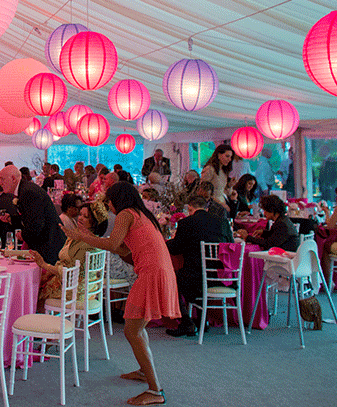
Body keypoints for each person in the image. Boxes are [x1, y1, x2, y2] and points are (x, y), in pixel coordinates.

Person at [60, 182, 178, 406]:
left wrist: (82, 236)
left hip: (152, 272)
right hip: (158, 270)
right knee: (136, 329)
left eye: (109, 201)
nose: (108, 206)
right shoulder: (140, 213)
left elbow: (113, 244)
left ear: (117, 199)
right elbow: (123, 249)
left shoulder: (126, 214)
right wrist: (86, 235)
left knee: (132, 331)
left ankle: (155, 390)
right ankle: (145, 372)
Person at [165, 195, 232, 337]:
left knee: (171, 278)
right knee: (194, 275)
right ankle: (203, 320)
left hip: (194, 277)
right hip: (221, 276)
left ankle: (186, 321)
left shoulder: (186, 223)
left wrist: (165, 243)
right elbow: (230, 246)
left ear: (190, 208)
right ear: (206, 208)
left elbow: (176, 248)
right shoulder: (222, 222)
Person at [30, 200, 97, 310]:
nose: (80, 218)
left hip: (74, 290)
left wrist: (44, 265)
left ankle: (41, 324)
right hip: (85, 286)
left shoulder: (86, 244)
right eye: (80, 214)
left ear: (94, 222)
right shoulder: (81, 237)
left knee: (33, 292)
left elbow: (70, 272)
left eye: (85, 217)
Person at [0, 165, 66, 267]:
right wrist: (11, 219)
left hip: (49, 246)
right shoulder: (24, 189)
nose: (0, 183)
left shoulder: (28, 192)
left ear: (13, 178)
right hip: (47, 243)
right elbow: (30, 217)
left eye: (2, 179)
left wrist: (23, 235)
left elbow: (37, 225)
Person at [200, 144, 235, 212]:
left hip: (222, 206)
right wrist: (221, 204)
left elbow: (222, 191)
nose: (229, 159)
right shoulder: (210, 169)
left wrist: (230, 186)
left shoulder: (223, 171)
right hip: (212, 207)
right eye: (227, 156)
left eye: (231, 157)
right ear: (218, 155)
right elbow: (203, 191)